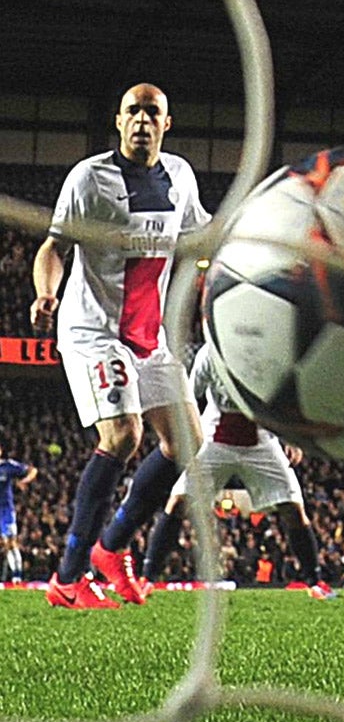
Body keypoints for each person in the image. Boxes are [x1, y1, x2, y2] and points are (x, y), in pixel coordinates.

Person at [31, 83, 210, 610]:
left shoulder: (179, 176)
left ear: (166, 124)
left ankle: (111, 550)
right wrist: (46, 292)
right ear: (118, 120)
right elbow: (53, 247)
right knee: (125, 434)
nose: (142, 121)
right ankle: (67, 577)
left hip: (147, 335)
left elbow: (200, 239)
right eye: (133, 111)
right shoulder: (90, 179)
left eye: (152, 112)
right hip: (93, 330)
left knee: (185, 442)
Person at [140, 343, 332, 599]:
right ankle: (148, 578)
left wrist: (292, 439)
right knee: (177, 502)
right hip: (215, 437)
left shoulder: (272, 352)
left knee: (293, 509)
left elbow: (285, 401)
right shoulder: (210, 353)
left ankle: (315, 582)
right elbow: (191, 395)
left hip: (261, 438)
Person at [0, 443, 37, 585]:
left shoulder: (8, 467)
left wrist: (24, 481)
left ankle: (17, 577)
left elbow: (32, 470)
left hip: (5, 511)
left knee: (10, 542)